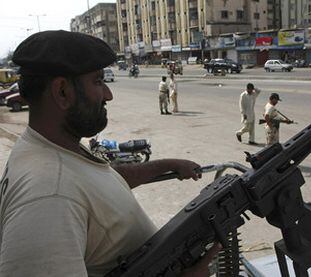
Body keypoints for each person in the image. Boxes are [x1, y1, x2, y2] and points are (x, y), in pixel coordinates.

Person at [0, 30, 220, 277]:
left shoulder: (52, 146)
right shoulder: (49, 196)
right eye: (97, 81)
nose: (108, 94)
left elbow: (96, 188)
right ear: (62, 92)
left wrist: (166, 165)